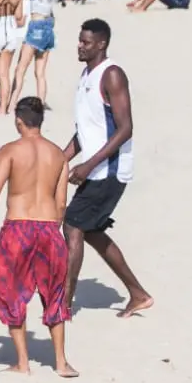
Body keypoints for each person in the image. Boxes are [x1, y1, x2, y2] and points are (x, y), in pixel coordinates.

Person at [0, 97, 77, 377]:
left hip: (18, 228)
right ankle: (61, 362)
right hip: (49, 228)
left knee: (10, 291)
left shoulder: (10, 151)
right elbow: (61, 203)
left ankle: (23, 363)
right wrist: (51, 229)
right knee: (55, 293)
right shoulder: (58, 156)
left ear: (18, 122)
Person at [63, 19, 153, 318]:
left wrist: (88, 165)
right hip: (96, 169)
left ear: (101, 44)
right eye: (79, 40)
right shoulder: (85, 75)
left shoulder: (111, 75)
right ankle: (138, 294)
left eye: (86, 42)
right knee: (91, 231)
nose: (80, 46)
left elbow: (125, 129)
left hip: (109, 171)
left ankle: (63, 304)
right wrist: (60, 159)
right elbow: (87, 131)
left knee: (73, 225)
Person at [8, 0, 58, 113]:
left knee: (20, 69)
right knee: (40, 72)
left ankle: (11, 104)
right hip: (48, 28)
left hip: (36, 27)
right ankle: (41, 103)